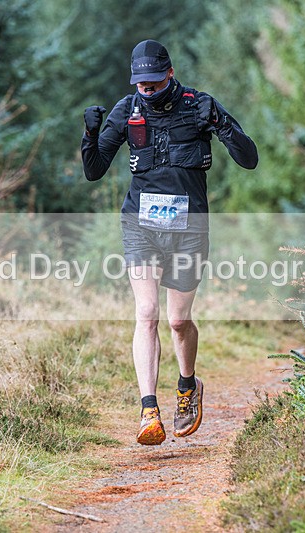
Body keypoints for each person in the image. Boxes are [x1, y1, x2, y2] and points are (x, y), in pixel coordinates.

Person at [81, 39, 258, 445]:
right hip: (140, 224)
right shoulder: (127, 111)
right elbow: (94, 171)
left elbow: (249, 159)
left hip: (189, 228)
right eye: (140, 83)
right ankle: (148, 410)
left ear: (170, 74)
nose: (146, 89)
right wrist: (90, 134)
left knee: (178, 321)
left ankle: (188, 386)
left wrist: (223, 124)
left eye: (154, 82)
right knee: (146, 313)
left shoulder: (199, 105)